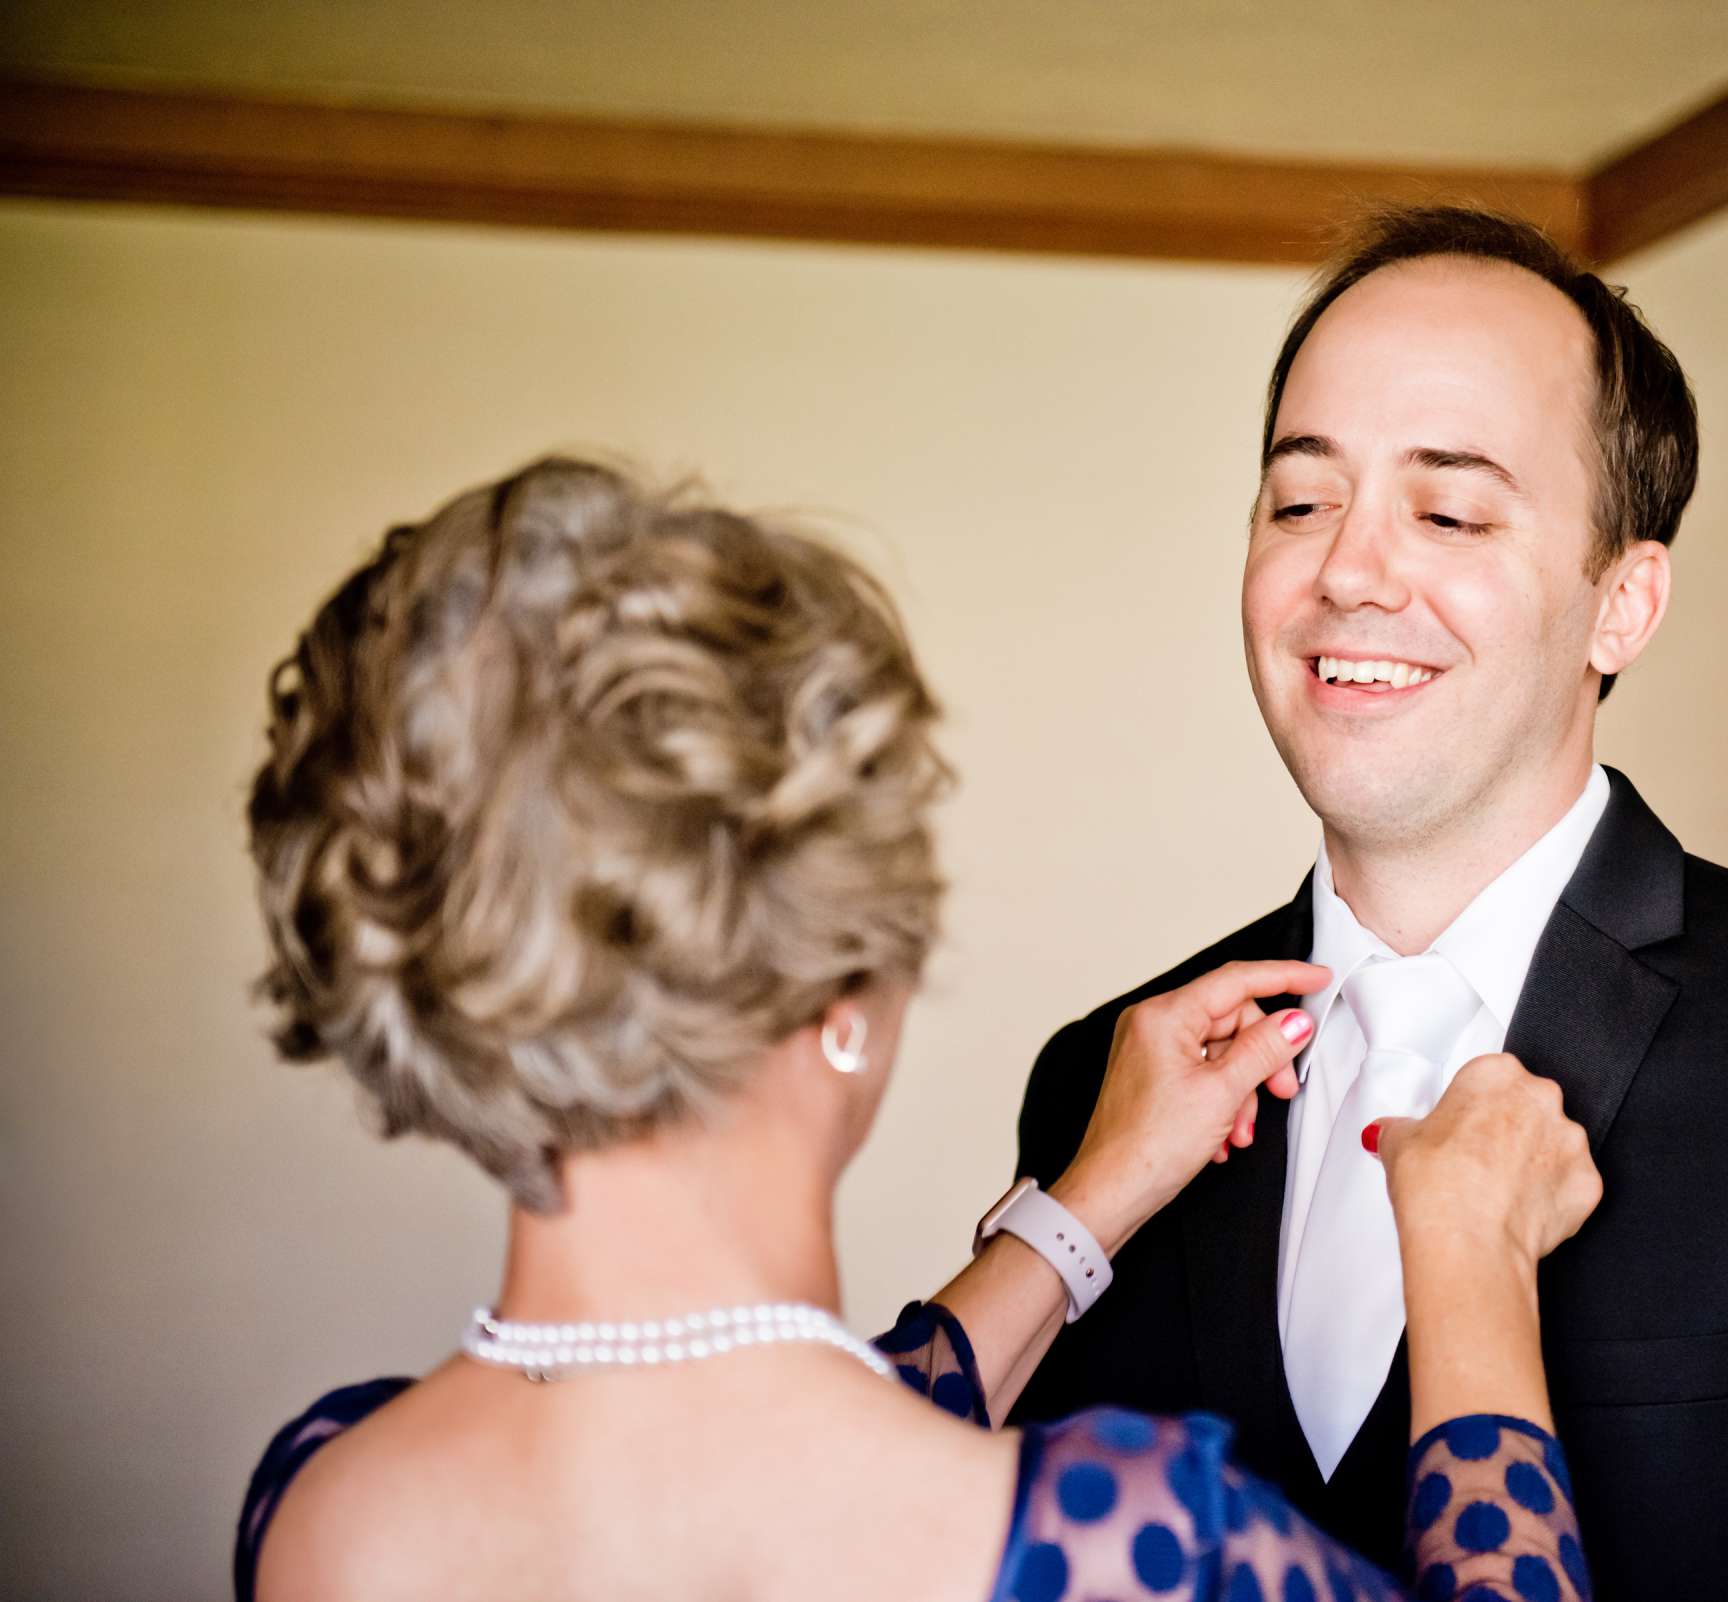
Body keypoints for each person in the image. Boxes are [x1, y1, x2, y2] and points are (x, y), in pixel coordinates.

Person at [233, 457, 1608, 1602]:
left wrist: (1090, 1202)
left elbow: (739, 1443)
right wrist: (1474, 1268)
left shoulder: (325, 1499)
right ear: (847, 998)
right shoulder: (1123, 1542)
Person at [1012, 206, 1728, 1598]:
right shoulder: (1097, 1088)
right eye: (1301, 501)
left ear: (1623, 604)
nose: (1347, 568)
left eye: (1451, 509)